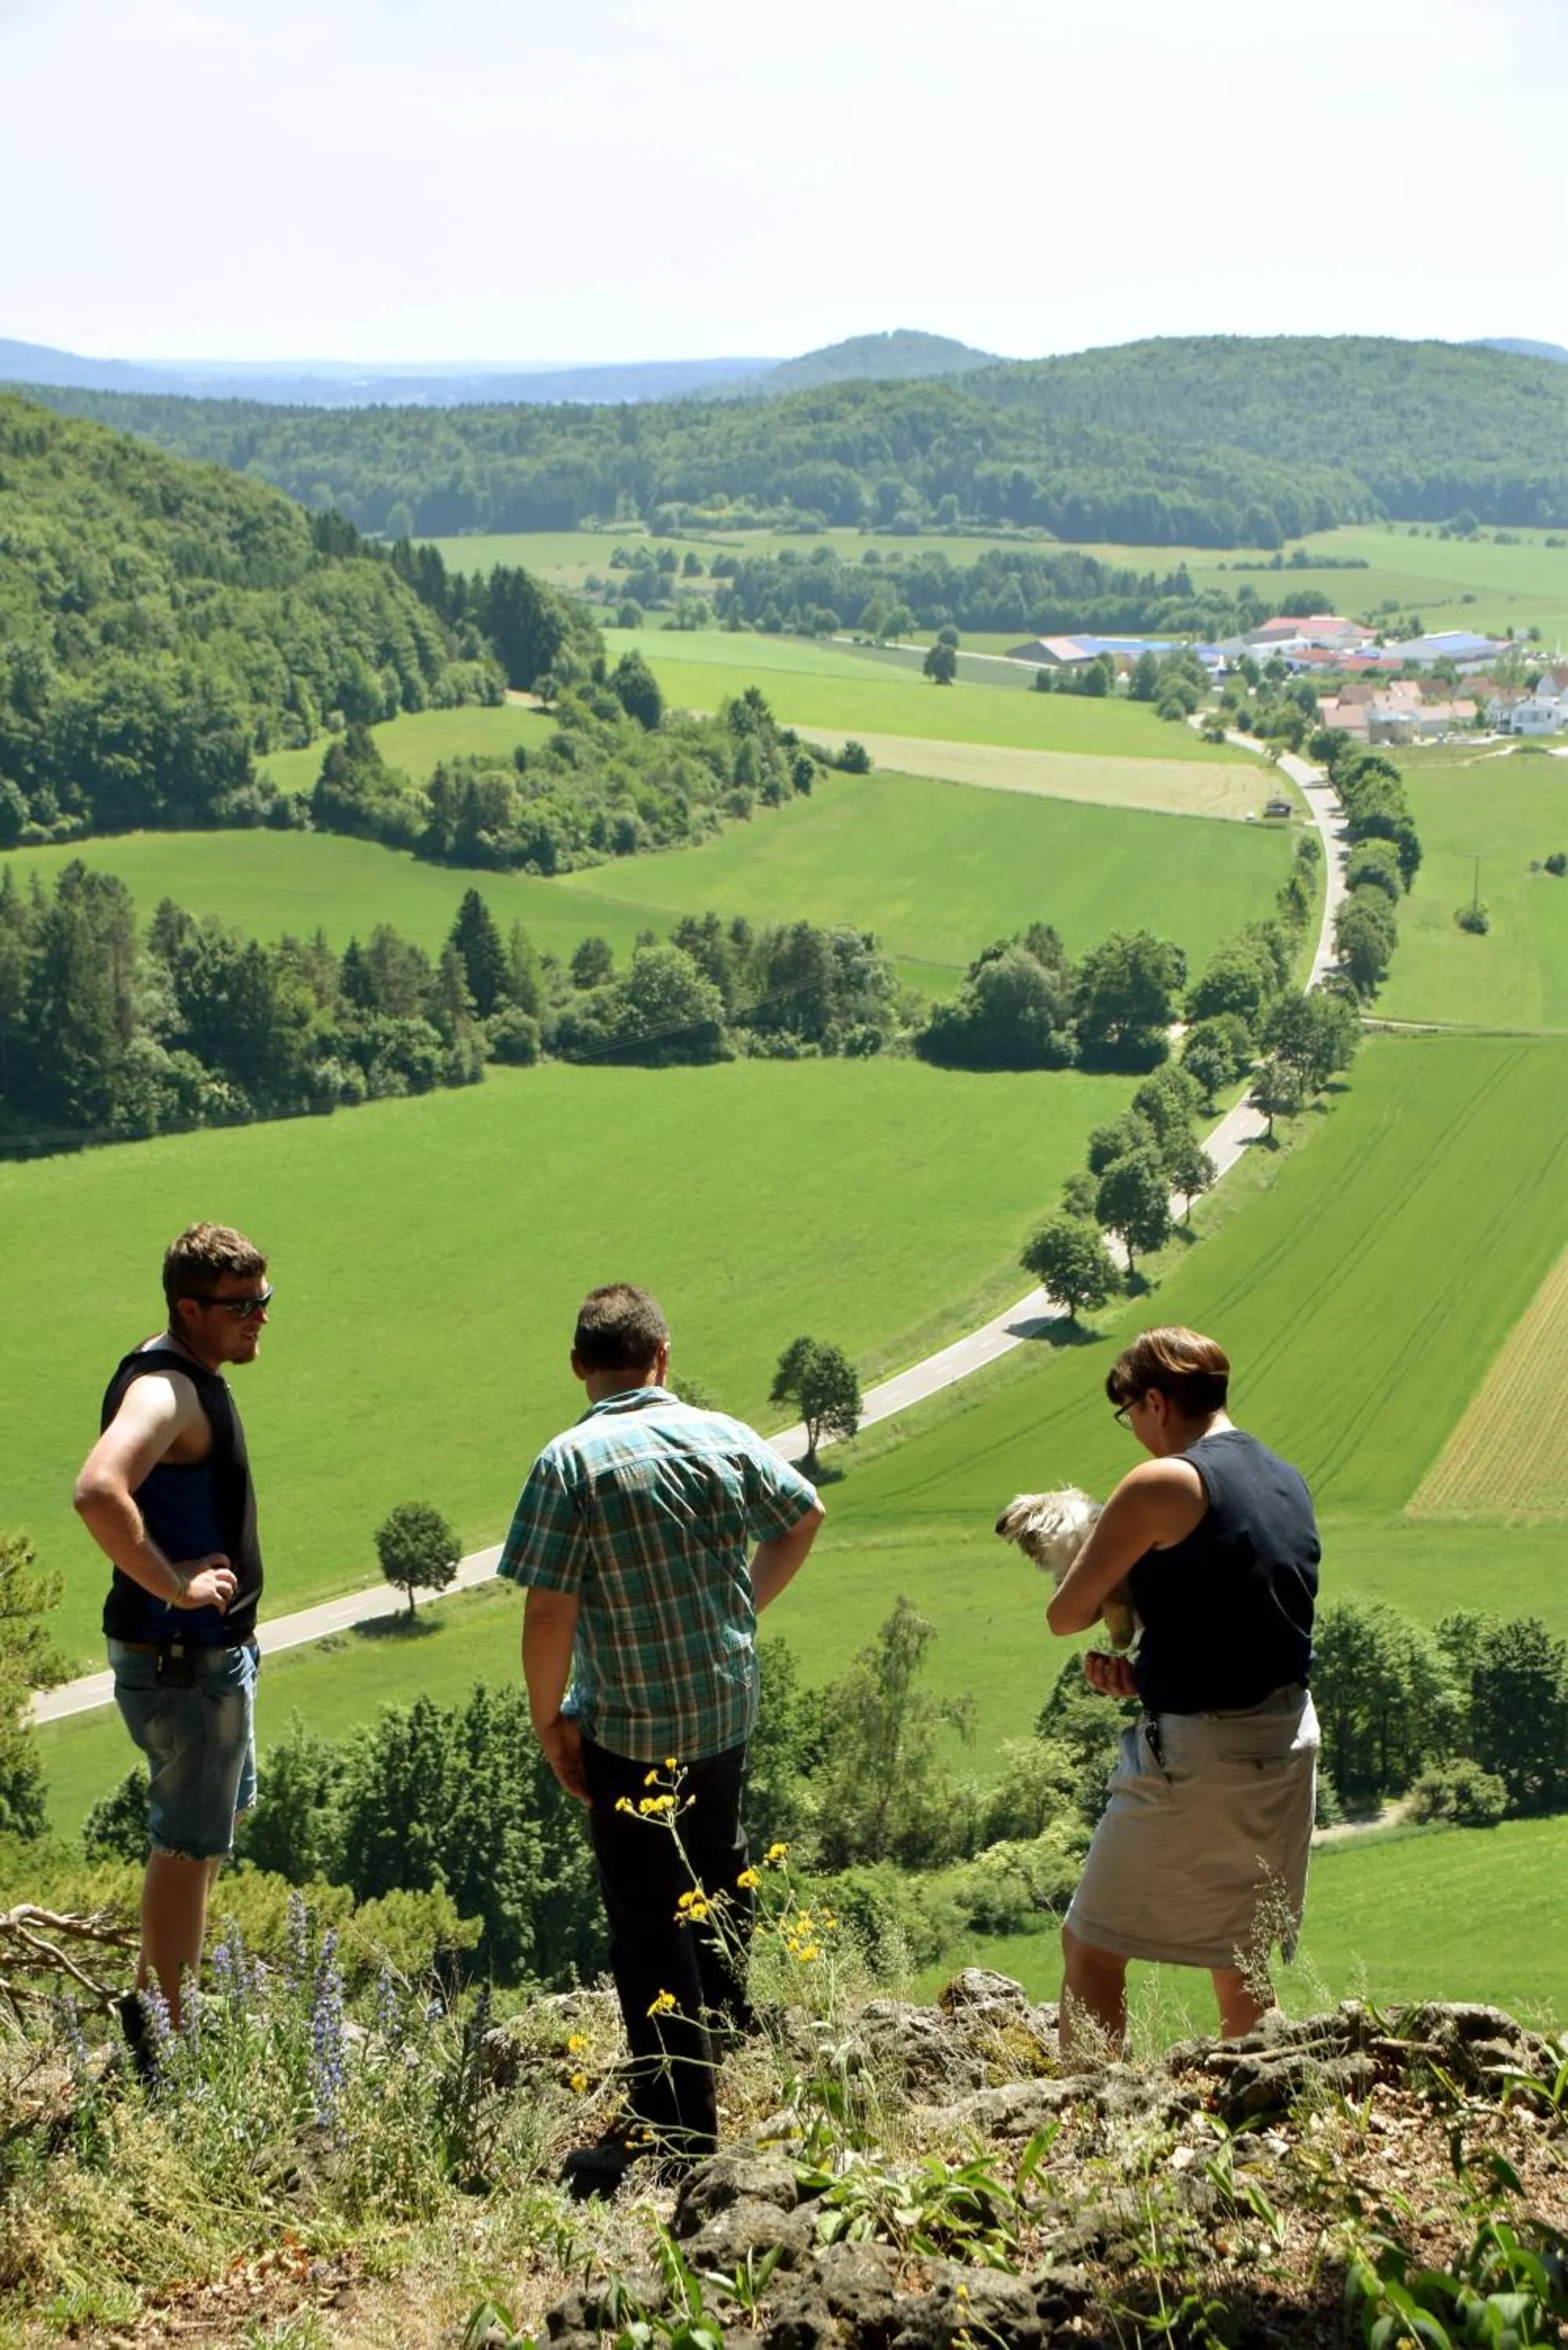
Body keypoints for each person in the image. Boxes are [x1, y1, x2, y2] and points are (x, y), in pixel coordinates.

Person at [498, 1283, 825, 2196]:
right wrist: (744, 1611)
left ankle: (678, 2129)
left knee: (648, 1919)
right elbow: (803, 1517)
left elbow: (548, 1609)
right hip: (723, 1703)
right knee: (718, 1861)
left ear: (578, 1366)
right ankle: (723, 2029)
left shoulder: (569, 1463)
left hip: (631, 1724)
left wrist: (549, 1720)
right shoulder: (720, 1434)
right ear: (663, 1356)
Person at [1046, 1325, 1319, 2055]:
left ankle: (1089, 2115)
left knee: (1091, 1945)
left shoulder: (1164, 1482)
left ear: (1157, 1403)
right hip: (1285, 1738)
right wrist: (1150, 1676)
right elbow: (1249, 1622)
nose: (1135, 1432)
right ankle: (1267, 2096)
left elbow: (1066, 1614)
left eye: (1129, 1414)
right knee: (1239, 1956)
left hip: (1202, 1756)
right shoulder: (1284, 1476)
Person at [73, 1223, 271, 2053]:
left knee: (209, 1829)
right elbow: (97, 1490)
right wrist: (175, 1584)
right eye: (241, 1306)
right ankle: (167, 2038)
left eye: (263, 1299)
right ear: (189, 1309)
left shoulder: (180, 1372)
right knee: (187, 1847)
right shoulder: (167, 1391)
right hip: (183, 1663)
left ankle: (161, 2007)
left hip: (201, 1659)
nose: (260, 1317)